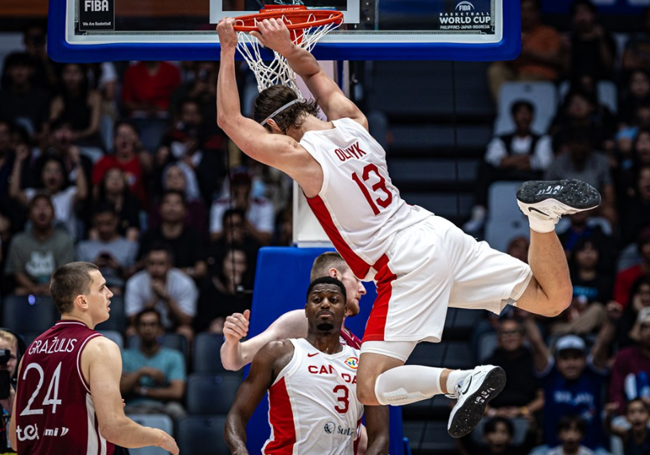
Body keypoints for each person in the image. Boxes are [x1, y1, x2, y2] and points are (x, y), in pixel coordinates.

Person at [216, 17, 601, 438]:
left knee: (368, 388)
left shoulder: (304, 159)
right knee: (553, 300)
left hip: (406, 259)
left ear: (273, 128)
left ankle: (459, 381)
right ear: (307, 107)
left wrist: (226, 47)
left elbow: (230, 122)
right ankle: (541, 220)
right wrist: (289, 50)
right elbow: (311, 72)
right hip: (438, 232)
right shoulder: (354, 125)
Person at [9, 262, 178, 454]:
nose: (110, 293)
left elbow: (15, 439)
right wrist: (160, 437)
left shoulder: (31, 351)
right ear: (82, 301)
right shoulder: (99, 347)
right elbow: (114, 429)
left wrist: (92, 412)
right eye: (101, 288)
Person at [224, 276, 389, 455]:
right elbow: (237, 414)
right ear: (306, 310)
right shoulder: (278, 353)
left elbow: (380, 435)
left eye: (334, 300)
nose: (325, 304)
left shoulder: (364, 363)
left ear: (345, 311)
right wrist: (238, 450)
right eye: (317, 299)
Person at [220, 251, 366, 371]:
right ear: (335, 276)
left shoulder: (353, 340)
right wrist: (232, 342)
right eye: (356, 279)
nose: (363, 289)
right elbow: (236, 360)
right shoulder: (304, 322)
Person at [522, 308, 618, 452]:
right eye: (565, 358)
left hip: (591, 449)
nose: (571, 363)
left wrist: (612, 320)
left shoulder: (593, 375)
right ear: (557, 361)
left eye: (576, 358)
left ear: (585, 360)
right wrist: (527, 319)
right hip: (553, 449)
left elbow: (603, 343)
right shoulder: (550, 376)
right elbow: (536, 343)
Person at [464, 100, 554, 234]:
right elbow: (494, 159)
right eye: (520, 113)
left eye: (527, 113)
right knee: (484, 168)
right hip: (504, 174)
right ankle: (480, 212)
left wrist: (509, 160)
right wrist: (524, 159)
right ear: (513, 117)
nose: (524, 117)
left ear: (532, 117)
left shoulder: (542, 140)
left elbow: (543, 162)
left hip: (531, 177)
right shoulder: (500, 139)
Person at [120, 309, 186, 420]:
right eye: (143, 324)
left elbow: (177, 392)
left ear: (161, 329)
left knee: (177, 411)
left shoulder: (174, 356)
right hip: (131, 406)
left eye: (152, 324)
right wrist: (142, 372)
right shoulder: (125, 356)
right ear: (136, 329)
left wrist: (140, 390)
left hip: (162, 407)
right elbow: (120, 389)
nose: (148, 329)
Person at [4, 194, 75, 295]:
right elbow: (16, 272)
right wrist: (33, 288)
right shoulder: (18, 241)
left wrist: (44, 289)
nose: (42, 211)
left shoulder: (65, 240)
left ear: (54, 214)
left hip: (56, 291)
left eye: (46, 206)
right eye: (36, 206)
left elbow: (64, 274)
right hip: (27, 291)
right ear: (29, 215)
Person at [125, 243, 197, 340]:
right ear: (145, 264)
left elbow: (186, 320)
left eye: (161, 264)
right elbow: (133, 320)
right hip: (147, 327)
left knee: (186, 332)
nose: (155, 268)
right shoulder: (135, 282)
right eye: (151, 263)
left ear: (169, 265)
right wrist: (155, 298)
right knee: (131, 331)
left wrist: (167, 298)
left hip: (173, 327)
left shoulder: (184, 282)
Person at [138, 189, 207, 280]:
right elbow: (141, 263)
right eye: (167, 203)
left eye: (177, 203)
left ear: (185, 210)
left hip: (186, 286)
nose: (172, 207)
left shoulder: (195, 236)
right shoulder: (150, 235)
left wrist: (172, 274)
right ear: (160, 209)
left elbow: (201, 269)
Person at [76, 203, 138, 293]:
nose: (104, 229)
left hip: (120, 292)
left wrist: (118, 268)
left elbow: (134, 279)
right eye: (99, 224)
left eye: (108, 223)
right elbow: (77, 279)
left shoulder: (130, 247)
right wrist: (93, 267)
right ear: (94, 223)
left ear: (116, 221)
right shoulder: (83, 248)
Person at [608, 306, 650, 415]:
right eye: (645, 327)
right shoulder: (625, 356)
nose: (649, 332)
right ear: (638, 330)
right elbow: (616, 392)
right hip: (628, 416)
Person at [0, 330, 20, 454]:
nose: (5, 363)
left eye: (10, 356)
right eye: (0, 356)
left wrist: (15, 411)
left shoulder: (28, 396)